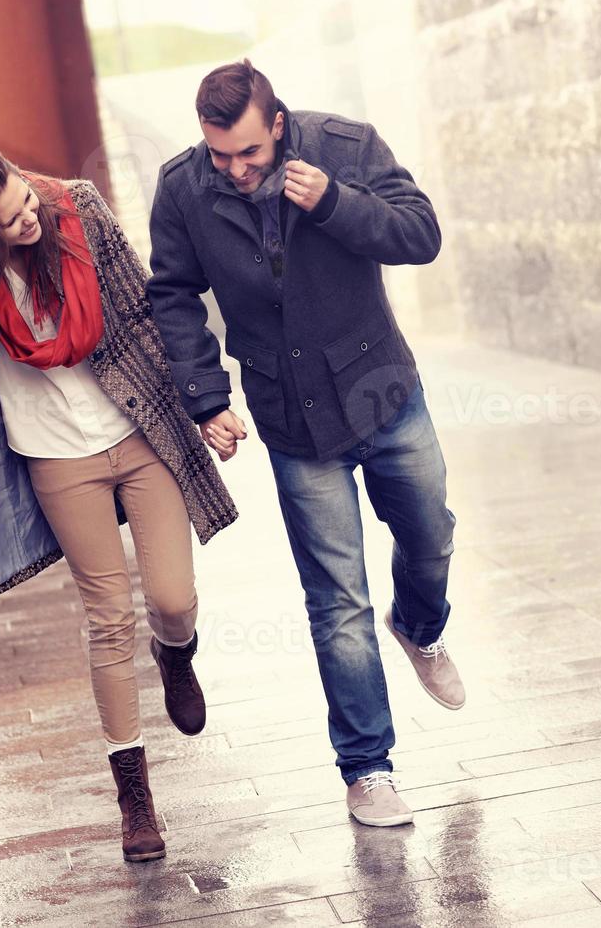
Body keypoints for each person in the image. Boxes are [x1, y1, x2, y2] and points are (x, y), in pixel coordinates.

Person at [145, 59, 464, 828]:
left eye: (249, 153)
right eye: (220, 154)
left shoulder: (344, 147)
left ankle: (419, 628)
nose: (235, 169)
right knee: (336, 600)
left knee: (430, 535)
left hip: (383, 390)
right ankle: (369, 769)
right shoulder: (185, 188)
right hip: (291, 416)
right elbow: (173, 294)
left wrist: (334, 203)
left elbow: (420, 235)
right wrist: (206, 399)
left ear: (277, 123)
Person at [0, 143, 238, 861]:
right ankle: (135, 797)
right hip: (58, 457)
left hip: (137, 428)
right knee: (106, 620)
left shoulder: (78, 207)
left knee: (173, 596)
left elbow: (148, 313)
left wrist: (203, 406)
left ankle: (176, 649)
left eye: (28, 204)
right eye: (9, 219)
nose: (29, 219)